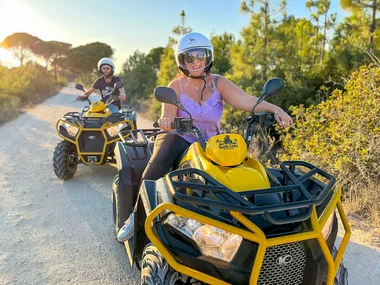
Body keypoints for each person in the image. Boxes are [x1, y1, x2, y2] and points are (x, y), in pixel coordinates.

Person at [117, 32, 293, 242]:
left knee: (242, 170)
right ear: (181, 60)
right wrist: (166, 121)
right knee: (158, 161)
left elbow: (248, 101)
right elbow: (167, 115)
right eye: (189, 57)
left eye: (200, 55)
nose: (196, 61)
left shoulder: (219, 83)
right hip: (178, 138)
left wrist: (275, 109)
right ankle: (135, 216)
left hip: (211, 143)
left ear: (208, 56)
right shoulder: (175, 86)